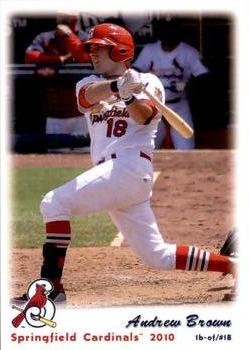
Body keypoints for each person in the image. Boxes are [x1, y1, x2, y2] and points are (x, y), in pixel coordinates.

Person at [12, 23, 235, 304]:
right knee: (157, 255)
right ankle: (233, 265)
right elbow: (87, 97)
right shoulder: (88, 83)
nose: (92, 53)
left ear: (119, 51)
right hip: (114, 176)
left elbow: (144, 117)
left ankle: (51, 289)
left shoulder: (149, 82)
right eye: (91, 48)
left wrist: (129, 95)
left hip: (129, 168)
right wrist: (118, 86)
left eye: (99, 48)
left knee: (53, 203)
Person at [134, 18, 209, 149]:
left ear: (178, 33)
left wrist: (189, 85)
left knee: (186, 147)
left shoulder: (188, 52)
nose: (168, 35)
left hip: (179, 104)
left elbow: (204, 77)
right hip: (154, 105)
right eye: (165, 31)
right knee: (148, 147)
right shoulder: (150, 50)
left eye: (172, 31)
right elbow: (135, 72)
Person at [25, 13, 91, 150]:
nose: (64, 20)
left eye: (68, 17)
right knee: (56, 158)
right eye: (62, 16)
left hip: (80, 113)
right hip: (55, 113)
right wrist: (57, 60)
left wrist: (69, 35)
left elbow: (84, 57)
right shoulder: (46, 37)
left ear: (76, 18)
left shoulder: (84, 37)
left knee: (83, 157)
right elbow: (30, 56)